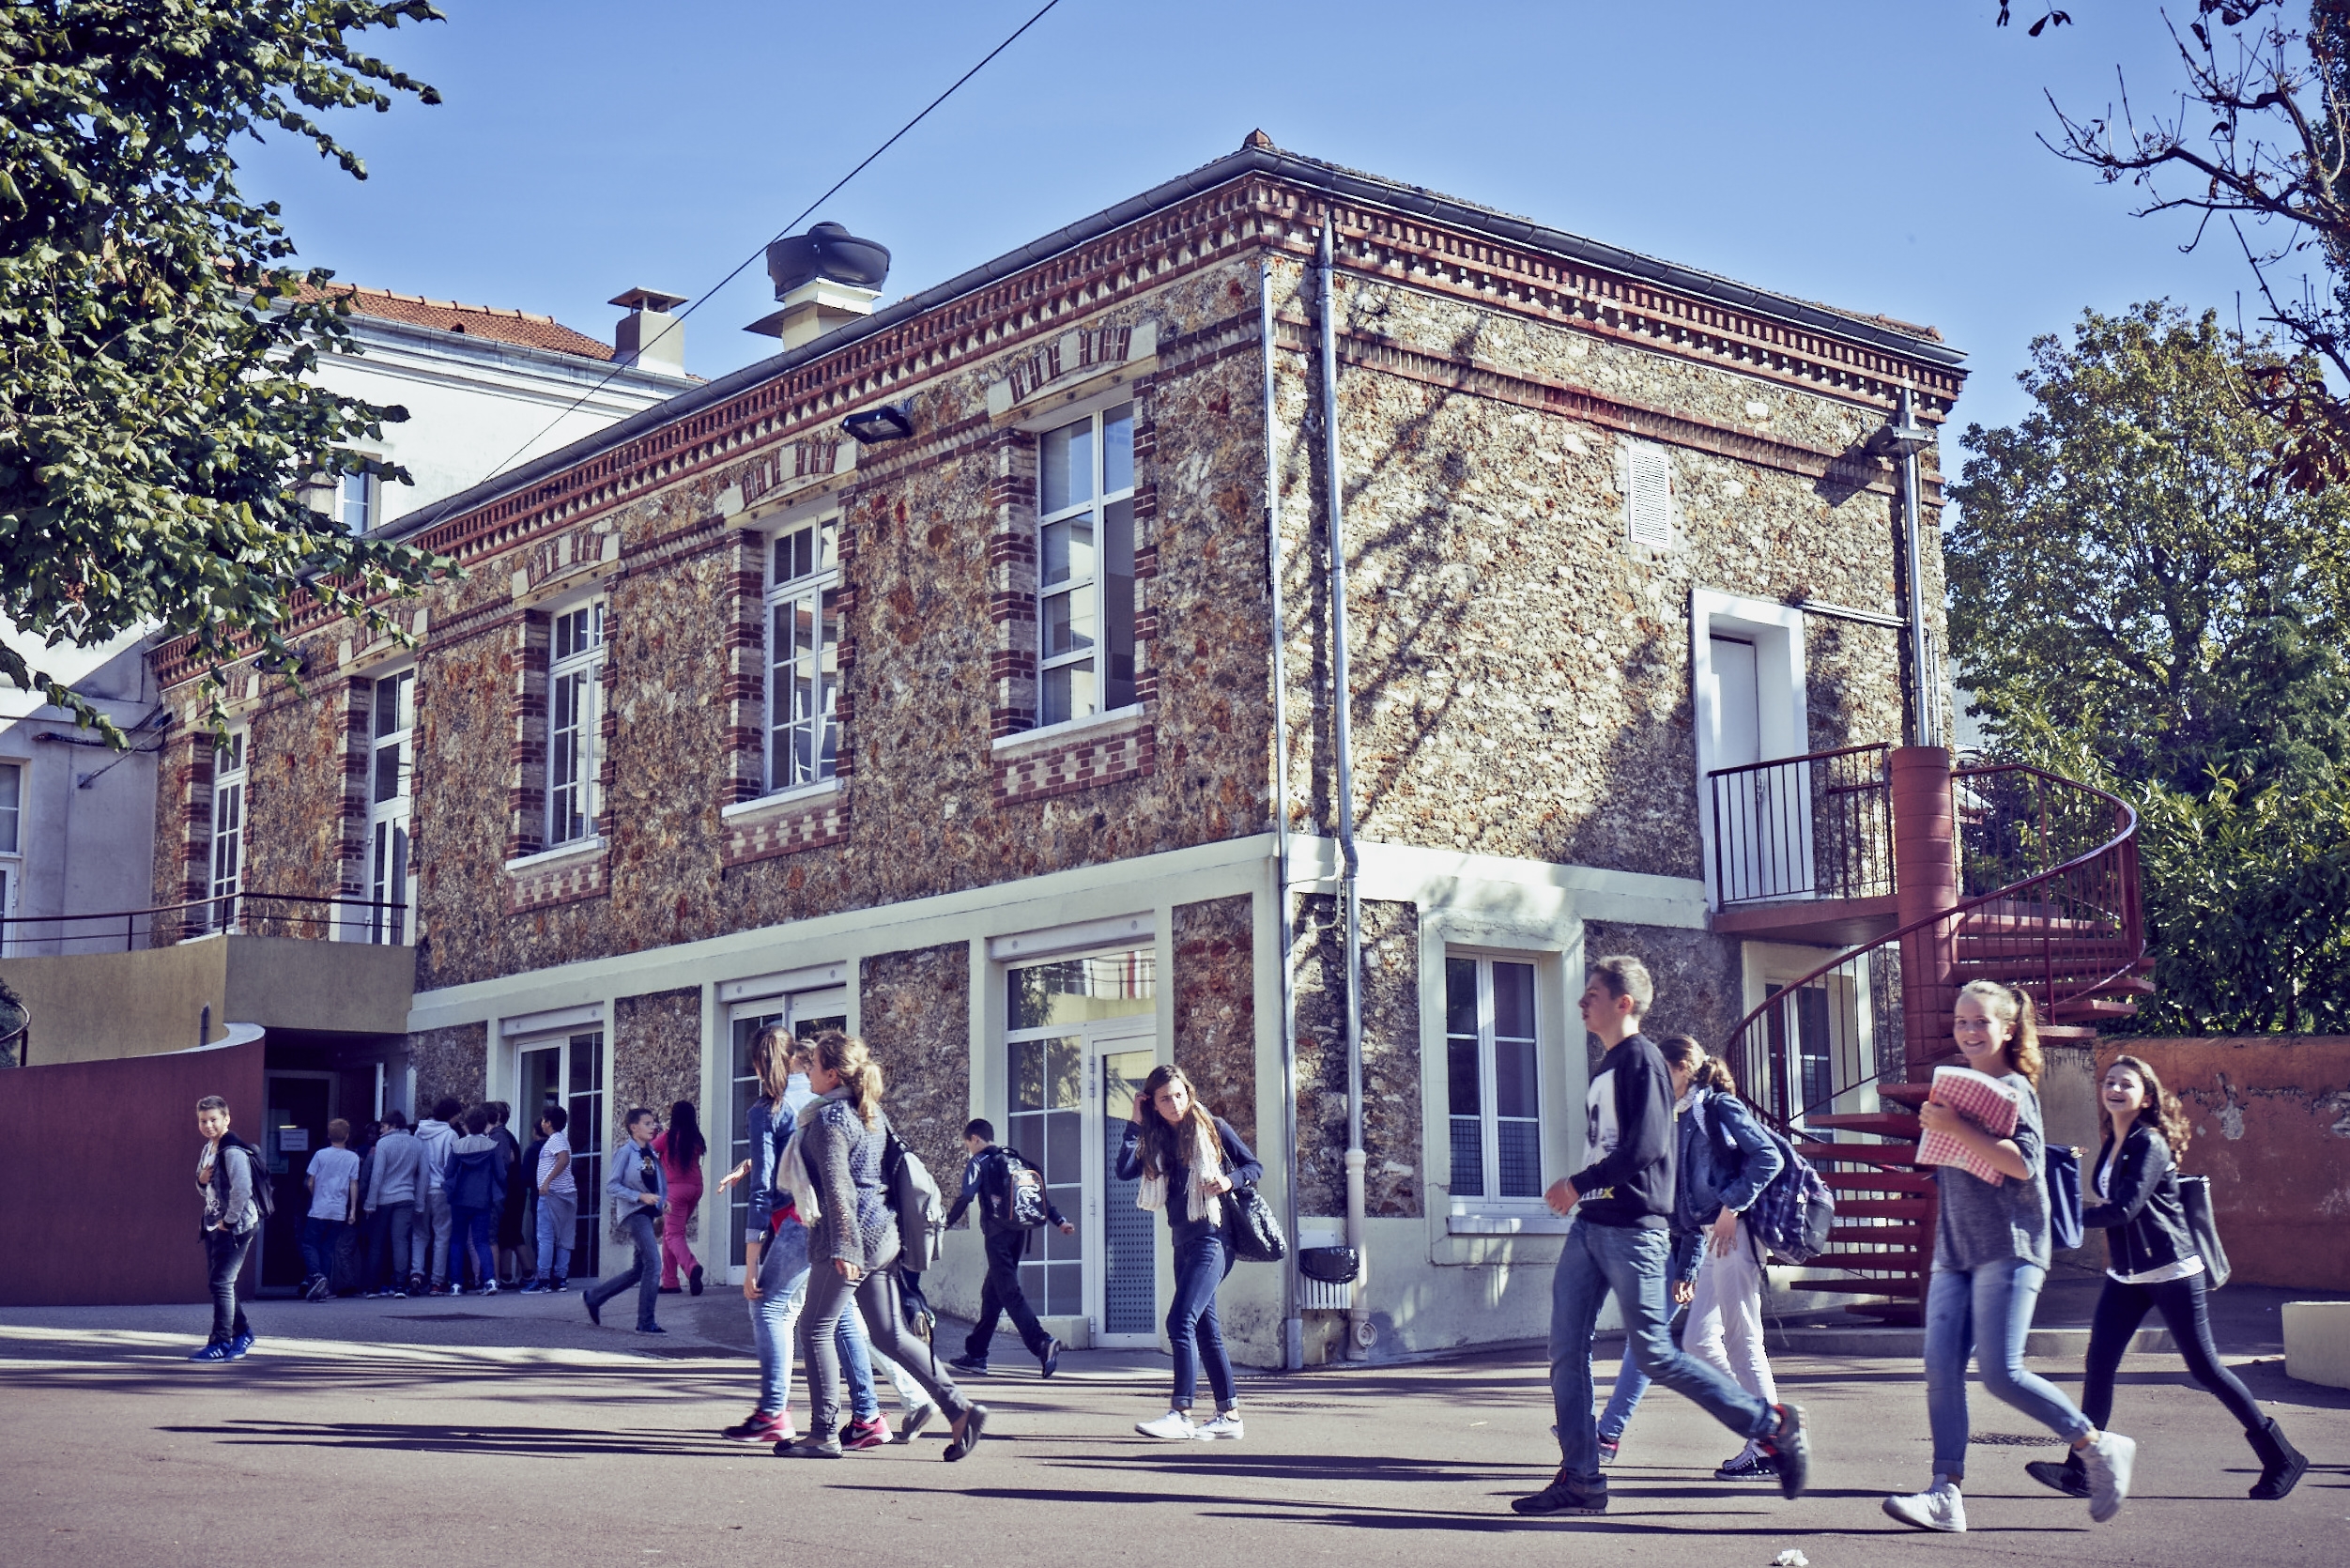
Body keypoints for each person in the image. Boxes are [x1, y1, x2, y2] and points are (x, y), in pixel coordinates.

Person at [1513, 957, 1810, 1518]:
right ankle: (1582, 1479)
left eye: (1593, 993)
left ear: (1623, 1002)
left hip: (1633, 1230)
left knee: (1655, 1352)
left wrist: (1578, 1183)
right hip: (1591, 1226)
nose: (1582, 1002)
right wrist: (1585, 1195)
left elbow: (1647, 1147)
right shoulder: (1608, 1065)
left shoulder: (1643, 1061)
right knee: (1565, 1349)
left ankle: (1771, 1425)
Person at [1883, 980, 2136, 1533]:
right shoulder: (1956, 1089)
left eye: (1981, 1021)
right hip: (1956, 1249)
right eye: (1961, 1022)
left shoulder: (2015, 1088)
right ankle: (1945, 1492)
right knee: (1940, 1370)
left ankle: (2096, 1445)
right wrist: (1938, 1128)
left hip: (2011, 1246)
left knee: (2001, 1373)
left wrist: (1954, 1126)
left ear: (2007, 1028)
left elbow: (2024, 1164)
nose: (1970, 1031)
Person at [2025, 1054, 2306, 1503]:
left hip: (2170, 1269)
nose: (2114, 1089)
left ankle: (2280, 1456)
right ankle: (2081, 1471)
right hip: (2127, 1274)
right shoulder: (2113, 1142)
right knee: (2099, 1365)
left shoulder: (2149, 1143)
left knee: (2206, 1369)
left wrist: (2061, 1219)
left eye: (2126, 1083)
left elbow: (2124, 1209)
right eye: (2109, 1082)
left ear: (2146, 1097)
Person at [717, 1027, 939, 1451]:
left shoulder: (769, 1107)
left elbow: (768, 1187)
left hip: (804, 1221)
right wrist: (750, 1164)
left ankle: (776, 1413)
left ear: (760, 1064)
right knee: (842, 1317)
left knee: (770, 1307)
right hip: (845, 1223)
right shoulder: (821, 1100)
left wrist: (750, 1259)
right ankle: (871, 1415)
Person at [775, 1031, 987, 1461]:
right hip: (884, 1237)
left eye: (813, 1065)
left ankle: (823, 1433)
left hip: (849, 1238)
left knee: (814, 1327)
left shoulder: (830, 1120)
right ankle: (959, 1409)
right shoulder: (869, 1112)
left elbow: (840, 1188)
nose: (807, 1071)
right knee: (890, 1335)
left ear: (832, 1074)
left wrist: (845, 1247)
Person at [1117, 1064, 1259, 1441]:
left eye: (1180, 1095)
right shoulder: (1155, 1139)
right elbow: (1124, 1170)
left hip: (1214, 1239)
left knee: (1180, 1320)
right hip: (1182, 1242)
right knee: (1206, 1330)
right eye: (1165, 1098)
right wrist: (1135, 1122)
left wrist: (1229, 1180)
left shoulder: (1213, 1127)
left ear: (1188, 1093)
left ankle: (1181, 1413)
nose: (1175, 1103)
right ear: (1152, 1103)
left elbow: (1253, 1166)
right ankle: (1229, 1416)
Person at [945, 1117, 1074, 1377]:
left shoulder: (980, 1161)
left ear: (975, 1139)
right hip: (1019, 1235)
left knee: (1009, 1293)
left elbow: (967, 1195)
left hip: (997, 1237)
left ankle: (1042, 1343)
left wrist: (945, 1223)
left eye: (968, 1145)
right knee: (992, 1294)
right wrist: (1059, 1220)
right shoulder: (1015, 1159)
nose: (969, 1149)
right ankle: (976, 1354)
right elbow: (1037, 1197)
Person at [190, 1095, 261, 1361]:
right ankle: (243, 1333)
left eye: (213, 1120)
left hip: (236, 1226)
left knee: (221, 1282)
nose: (208, 1125)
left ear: (226, 1119)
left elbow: (242, 1190)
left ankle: (220, 1342)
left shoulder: (232, 1150)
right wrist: (201, 1179)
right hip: (213, 1224)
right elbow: (204, 1188)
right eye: (203, 1121)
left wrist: (229, 1222)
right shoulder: (208, 1148)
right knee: (220, 1282)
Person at [585, 1107, 668, 1333]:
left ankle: (594, 1297)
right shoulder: (625, 1152)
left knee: (639, 1269)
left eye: (653, 1123)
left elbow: (656, 1183)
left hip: (648, 1213)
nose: (653, 1127)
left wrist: (662, 1202)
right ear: (633, 1127)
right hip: (634, 1213)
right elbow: (612, 1186)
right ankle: (646, 1322)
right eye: (647, 1123)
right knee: (654, 1264)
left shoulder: (650, 1153)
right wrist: (639, 1196)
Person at [444, 1105, 508, 1296]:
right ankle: (490, 1280)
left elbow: (448, 1172)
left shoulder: (457, 1146)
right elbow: (501, 1174)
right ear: (484, 1124)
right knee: (482, 1241)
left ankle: (456, 1284)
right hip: (483, 1199)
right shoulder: (492, 1146)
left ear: (466, 1125)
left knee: (457, 1241)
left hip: (459, 1199)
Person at [300, 1118, 361, 1303]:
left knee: (309, 1244)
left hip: (319, 1208)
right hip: (339, 1210)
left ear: (329, 1135)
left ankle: (317, 1276)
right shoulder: (353, 1157)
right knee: (328, 1248)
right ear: (347, 1136)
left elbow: (310, 1181)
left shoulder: (320, 1155)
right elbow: (353, 1183)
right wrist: (352, 1210)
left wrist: (315, 1195)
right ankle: (323, 1288)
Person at [362, 1111, 423, 1299]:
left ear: (393, 1125)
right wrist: (420, 1202)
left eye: (383, 1126)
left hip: (383, 1198)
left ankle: (372, 1287)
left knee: (377, 1242)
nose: (381, 1130)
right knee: (400, 1241)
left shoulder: (383, 1144)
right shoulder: (416, 1143)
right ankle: (400, 1285)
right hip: (406, 1196)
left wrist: (370, 1202)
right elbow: (423, 1175)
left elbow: (377, 1174)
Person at [653, 1099, 707, 1296]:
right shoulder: (696, 1138)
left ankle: (692, 1267)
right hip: (695, 1188)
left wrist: (655, 1132)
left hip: (674, 1191)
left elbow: (650, 1148)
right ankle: (670, 1282)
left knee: (673, 1234)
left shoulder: (668, 1137)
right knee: (671, 1230)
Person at [409, 1096, 463, 1296]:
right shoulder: (450, 1135)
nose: (458, 1119)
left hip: (421, 1188)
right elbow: (451, 1165)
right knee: (442, 1235)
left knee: (419, 1234)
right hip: (441, 1189)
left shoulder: (419, 1132)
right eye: (457, 1115)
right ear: (451, 1115)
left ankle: (416, 1273)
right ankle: (436, 1281)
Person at [521, 1105, 576, 1293]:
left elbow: (563, 1159)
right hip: (566, 1193)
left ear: (549, 1123)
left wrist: (546, 1181)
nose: (542, 1123)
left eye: (544, 1120)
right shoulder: (561, 1139)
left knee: (545, 1236)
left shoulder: (555, 1140)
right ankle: (560, 1278)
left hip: (552, 1194)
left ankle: (543, 1278)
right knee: (564, 1237)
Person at [489, 1101, 528, 1288]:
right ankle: (507, 1275)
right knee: (508, 1234)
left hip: (510, 1191)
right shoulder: (506, 1136)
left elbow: (502, 1166)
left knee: (511, 1233)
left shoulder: (499, 1136)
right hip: (514, 1189)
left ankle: (528, 1272)